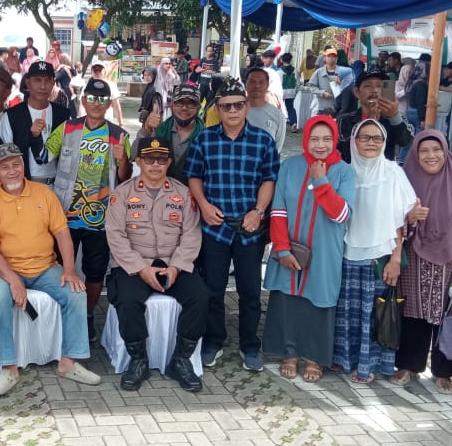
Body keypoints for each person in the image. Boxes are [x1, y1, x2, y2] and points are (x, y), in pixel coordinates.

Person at [0, 143, 101, 396]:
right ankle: (9, 368)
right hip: (5, 270)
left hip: (45, 266)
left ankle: (69, 362)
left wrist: (69, 269)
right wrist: (13, 281)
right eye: (5, 167)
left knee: (76, 292)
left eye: (16, 164)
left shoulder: (44, 193)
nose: (12, 171)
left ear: (23, 165)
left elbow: (62, 233)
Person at [185, 86, 280, 370]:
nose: (232, 111)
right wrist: (203, 205)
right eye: (226, 106)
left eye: (238, 105)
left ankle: (250, 345)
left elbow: (269, 179)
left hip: (249, 227)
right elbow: (194, 176)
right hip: (215, 227)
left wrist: (258, 211)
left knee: (250, 290)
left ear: (246, 106)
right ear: (217, 109)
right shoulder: (204, 139)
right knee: (213, 289)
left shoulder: (262, 140)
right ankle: (214, 341)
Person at [105, 137, 207, 392]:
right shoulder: (122, 194)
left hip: (173, 263)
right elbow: (115, 236)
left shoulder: (183, 193)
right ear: (138, 162)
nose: (155, 164)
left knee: (201, 297)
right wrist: (141, 269)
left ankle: (181, 360)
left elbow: (192, 234)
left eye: (161, 159)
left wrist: (176, 267)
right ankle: (138, 360)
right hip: (134, 263)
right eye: (149, 159)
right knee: (127, 299)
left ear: (169, 162)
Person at [263, 117, 355, 384]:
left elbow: (342, 214)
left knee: (319, 301)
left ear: (335, 140)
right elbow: (278, 210)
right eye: (314, 139)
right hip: (289, 247)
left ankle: (315, 358)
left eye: (327, 139)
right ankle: (289, 353)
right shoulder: (289, 166)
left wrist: (321, 181)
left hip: (325, 251)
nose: (320, 145)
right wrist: (282, 249)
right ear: (305, 139)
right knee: (288, 300)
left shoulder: (345, 172)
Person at [391, 130, 452, 392]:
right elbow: (390, 219)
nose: (430, 156)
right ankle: (408, 365)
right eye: (424, 151)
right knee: (413, 312)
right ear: (415, 154)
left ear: (446, 152)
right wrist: (409, 219)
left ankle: (444, 372)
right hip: (414, 259)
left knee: (447, 315)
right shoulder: (404, 182)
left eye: (436, 150)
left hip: (451, 263)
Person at [47, 78, 132, 339]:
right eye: (91, 98)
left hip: (101, 219)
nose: (96, 103)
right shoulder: (68, 127)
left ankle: (87, 315)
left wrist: (123, 158)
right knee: (60, 268)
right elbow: (44, 157)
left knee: (95, 272)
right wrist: (34, 134)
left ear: (109, 103)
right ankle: (62, 314)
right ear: (83, 101)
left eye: (102, 99)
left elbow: (125, 178)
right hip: (65, 215)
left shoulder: (119, 134)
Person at [333, 118, 416, 383]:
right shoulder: (344, 172)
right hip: (347, 253)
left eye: (377, 138)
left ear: (384, 142)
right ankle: (344, 359)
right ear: (354, 141)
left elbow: (401, 220)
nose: (371, 143)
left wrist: (395, 258)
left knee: (375, 313)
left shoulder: (393, 173)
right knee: (347, 312)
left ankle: (368, 365)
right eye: (364, 137)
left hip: (380, 255)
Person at [0, 61, 69, 185]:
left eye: (47, 80)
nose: (43, 86)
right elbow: (2, 156)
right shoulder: (12, 115)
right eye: (37, 80)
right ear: (28, 82)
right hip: (23, 186)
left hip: (57, 186)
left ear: (53, 83)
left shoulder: (63, 115)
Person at [335, 69, 414, 162]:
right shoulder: (344, 120)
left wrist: (394, 116)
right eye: (368, 86)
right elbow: (346, 151)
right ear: (357, 92)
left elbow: (406, 142)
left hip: (384, 170)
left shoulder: (391, 118)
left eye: (379, 86)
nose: (375, 91)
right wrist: (370, 121)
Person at [155, 84, 204, 184]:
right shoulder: (160, 130)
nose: (184, 108)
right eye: (179, 103)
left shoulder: (206, 137)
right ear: (171, 105)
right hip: (160, 190)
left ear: (198, 108)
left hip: (192, 192)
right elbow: (135, 157)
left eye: (191, 104)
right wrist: (146, 129)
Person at [244, 67, 287, 152]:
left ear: (267, 85)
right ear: (245, 84)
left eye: (261, 82)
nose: (257, 85)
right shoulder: (234, 111)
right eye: (253, 82)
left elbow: (277, 147)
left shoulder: (278, 115)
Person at [308, 48, 344, 113]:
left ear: (337, 58)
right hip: (323, 108)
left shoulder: (343, 71)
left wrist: (341, 82)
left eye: (333, 56)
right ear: (324, 58)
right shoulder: (318, 72)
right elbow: (311, 86)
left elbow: (350, 87)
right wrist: (322, 93)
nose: (331, 58)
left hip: (339, 109)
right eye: (329, 56)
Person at [279, 53, 298, 129]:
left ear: (282, 60)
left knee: (279, 107)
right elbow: (297, 82)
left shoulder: (280, 71)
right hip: (291, 92)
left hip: (282, 92)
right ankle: (294, 123)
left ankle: (279, 123)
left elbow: (278, 83)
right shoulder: (295, 70)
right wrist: (296, 91)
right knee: (290, 108)